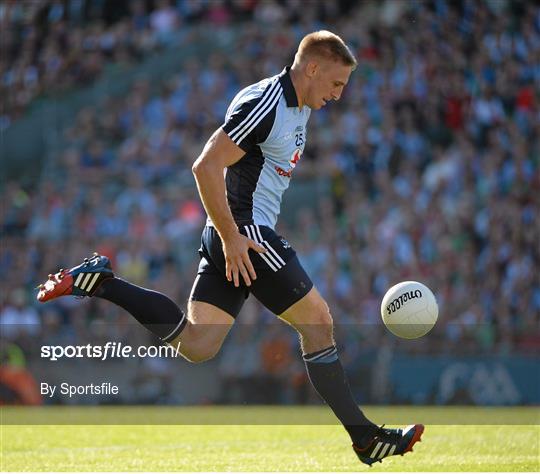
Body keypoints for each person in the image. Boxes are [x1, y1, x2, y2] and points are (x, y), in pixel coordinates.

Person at [37, 30, 423, 465]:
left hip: (235, 233)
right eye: (336, 84)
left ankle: (102, 282)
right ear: (312, 68)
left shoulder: (300, 104)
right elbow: (205, 167)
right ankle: (365, 437)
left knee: (198, 344)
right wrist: (232, 237)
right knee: (317, 320)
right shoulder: (266, 103)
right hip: (245, 234)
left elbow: (258, 163)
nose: (338, 95)